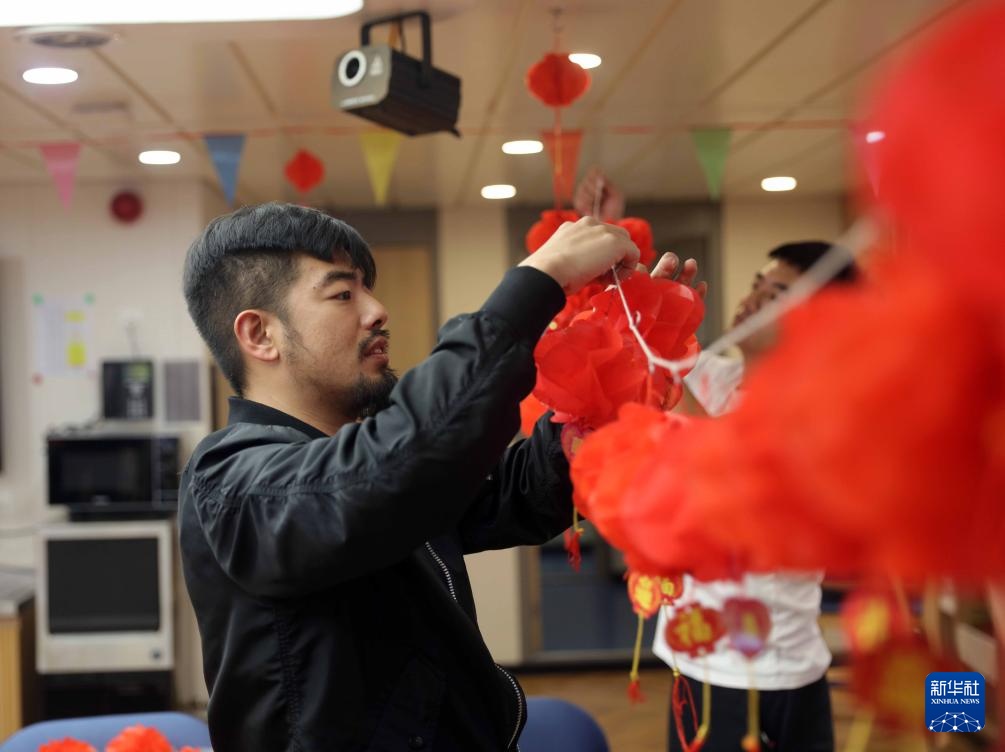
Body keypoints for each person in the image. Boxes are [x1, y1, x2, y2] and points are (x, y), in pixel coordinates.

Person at [179, 202, 702, 752]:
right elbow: (393, 470)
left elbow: (515, 492)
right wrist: (538, 283)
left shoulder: (365, 462)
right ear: (260, 334)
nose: (377, 311)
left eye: (368, 289)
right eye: (342, 294)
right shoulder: (231, 479)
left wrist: (616, 370)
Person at [575, 170, 857, 752]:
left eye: (775, 296)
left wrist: (664, 373)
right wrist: (611, 232)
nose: (751, 300)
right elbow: (640, 342)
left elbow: (721, 462)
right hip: (704, 662)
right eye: (757, 284)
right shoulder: (714, 373)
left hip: (786, 665)